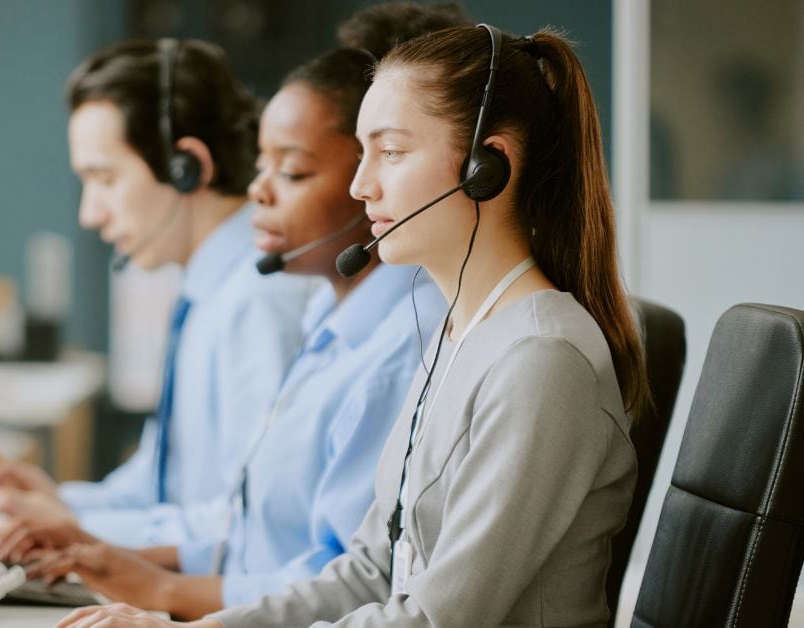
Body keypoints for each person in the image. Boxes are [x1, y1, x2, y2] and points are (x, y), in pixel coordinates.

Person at [59, 22, 649, 628]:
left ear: (486, 166)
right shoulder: (456, 335)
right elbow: (370, 571)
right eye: (362, 153)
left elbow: (436, 619)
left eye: (390, 152)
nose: (361, 185)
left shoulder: (540, 360)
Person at [0, 5, 462, 621]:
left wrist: (145, 580)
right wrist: (74, 521)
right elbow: (237, 512)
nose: (89, 215)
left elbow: (344, 572)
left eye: (103, 179)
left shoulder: (296, 312)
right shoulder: (320, 318)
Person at [0, 39, 313, 549]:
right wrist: (55, 503)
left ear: (184, 165)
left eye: (104, 179)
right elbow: (160, 487)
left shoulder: (261, 301)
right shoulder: (207, 290)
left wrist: (67, 527)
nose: (90, 213)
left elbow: (248, 526)